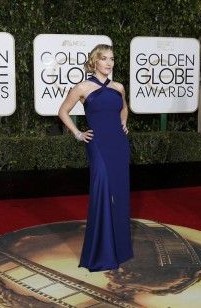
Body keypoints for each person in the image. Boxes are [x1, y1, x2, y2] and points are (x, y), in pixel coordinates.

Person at [58, 44, 133, 272]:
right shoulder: (82, 87)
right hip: (97, 145)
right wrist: (78, 133)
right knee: (101, 190)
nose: (109, 63)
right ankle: (101, 252)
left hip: (118, 144)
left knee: (119, 194)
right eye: (104, 59)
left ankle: (120, 248)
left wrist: (123, 123)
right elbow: (62, 111)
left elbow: (124, 108)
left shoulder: (118, 87)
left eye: (112, 59)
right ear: (95, 62)